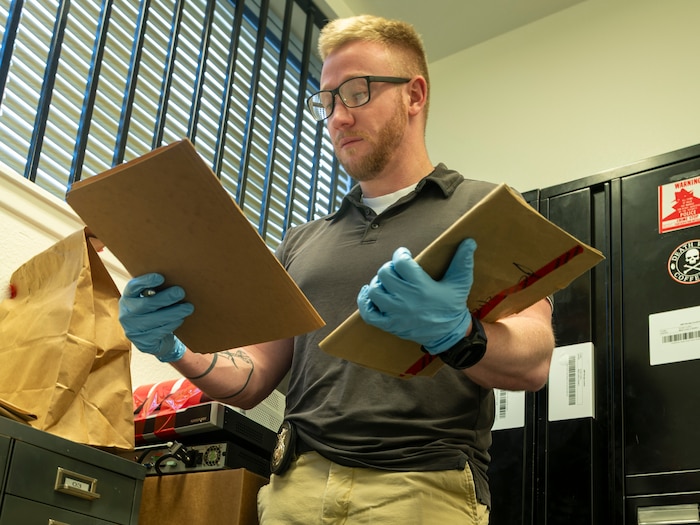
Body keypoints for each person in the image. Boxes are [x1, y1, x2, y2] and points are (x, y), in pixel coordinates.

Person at [119, 14, 555, 524]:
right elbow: (256, 378)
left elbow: (535, 360)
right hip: (293, 488)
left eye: (357, 92)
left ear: (414, 96)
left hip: (421, 490)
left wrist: (458, 334)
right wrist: (176, 349)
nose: (337, 118)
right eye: (327, 101)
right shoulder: (303, 241)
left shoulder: (485, 209)